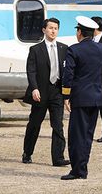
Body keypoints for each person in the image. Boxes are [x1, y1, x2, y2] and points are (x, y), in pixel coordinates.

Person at [61, 16, 102, 180]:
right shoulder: (101, 48)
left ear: (79, 32)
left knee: (76, 136)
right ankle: (83, 168)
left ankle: (77, 170)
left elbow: (68, 75)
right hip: (95, 97)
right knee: (87, 136)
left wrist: (66, 95)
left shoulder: (74, 49)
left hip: (80, 98)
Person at [22, 18, 70, 167]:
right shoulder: (35, 49)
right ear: (44, 30)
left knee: (58, 125)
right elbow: (31, 71)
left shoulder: (64, 48)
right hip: (40, 93)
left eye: (56, 28)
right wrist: (34, 88)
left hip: (57, 92)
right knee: (34, 124)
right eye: (50, 28)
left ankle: (58, 158)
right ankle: (27, 153)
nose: (53, 31)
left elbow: (67, 72)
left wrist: (67, 94)